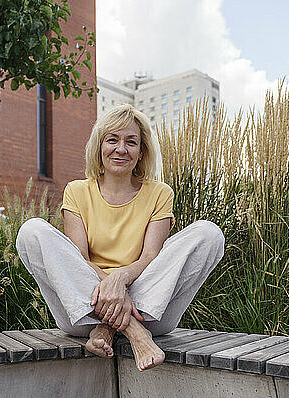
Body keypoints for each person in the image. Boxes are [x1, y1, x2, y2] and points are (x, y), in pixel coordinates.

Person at [16, 104, 225, 371]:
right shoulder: (77, 191)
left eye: (131, 142)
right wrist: (115, 293)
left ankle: (108, 328)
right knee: (31, 231)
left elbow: (151, 256)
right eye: (112, 140)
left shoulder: (159, 193)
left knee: (209, 234)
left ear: (141, 152)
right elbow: (78, 259)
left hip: (150, 310)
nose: (121, 149)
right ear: (99, 147)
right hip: (83, 312)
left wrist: (120, 280)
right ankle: (134, 333)